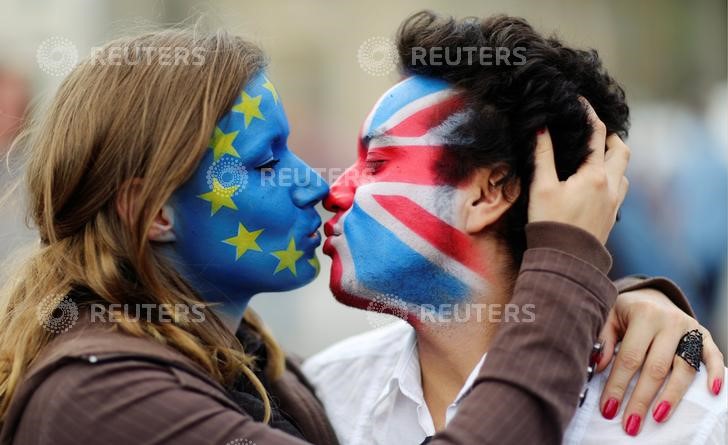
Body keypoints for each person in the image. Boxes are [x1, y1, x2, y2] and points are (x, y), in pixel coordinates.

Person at [0, 26, 717, 445]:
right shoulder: (98, 398)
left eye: (376, 162)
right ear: (154, 211)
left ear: (490, 192)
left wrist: (626, 301)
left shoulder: (281, 385)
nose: (323, 184)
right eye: (265, 161)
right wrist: (567, 273)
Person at [303, 11, 727, 444]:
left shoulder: (688, 423)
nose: (333, 191)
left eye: (376, 164)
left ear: (489, 193)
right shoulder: (323, 398)